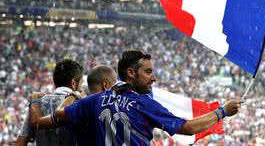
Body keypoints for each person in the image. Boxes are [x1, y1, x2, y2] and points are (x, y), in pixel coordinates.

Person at [31, 50, 241, 146]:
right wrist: (223, 111)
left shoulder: (94, 100)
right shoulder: (143, 104)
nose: (154, 78)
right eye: (148, 72)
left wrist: (73, 95)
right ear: (131, 73)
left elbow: (57, 115)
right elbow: (187, 128)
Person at [29, 65, 118, 145]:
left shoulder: (82, 106)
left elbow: (37, 122)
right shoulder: (121, 107)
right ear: (105, 84)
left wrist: (72, 95)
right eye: (115, 84)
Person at [16, 59, 83, 146]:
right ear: (73, 83)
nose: (81, 88)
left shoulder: (36, 104)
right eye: (81, 82)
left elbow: (20, 143)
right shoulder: (81, 103)